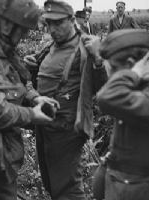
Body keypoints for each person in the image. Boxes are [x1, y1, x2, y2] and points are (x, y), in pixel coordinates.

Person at [0, 0, 59, 199]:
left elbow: (15, 84)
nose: (24, 36)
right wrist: (32, 115)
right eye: (22, 30)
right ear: (7, 24)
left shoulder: (1, 49)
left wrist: (35, 99)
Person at [24, 1, 108, 199]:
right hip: (45, 126)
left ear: (72, 20)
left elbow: (103, 88)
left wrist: (98, 60)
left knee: (67, 189)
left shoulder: (86, 47)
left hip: (67, 130)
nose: (52, 29)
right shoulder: (49, 46)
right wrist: (33, 66)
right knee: (51, 182)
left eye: (58, 23)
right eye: (48, 24)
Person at [97, 29, 149, 200]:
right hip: (124, 184)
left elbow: (106, 97)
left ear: (131, 64)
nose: (111, 76)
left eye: (114, 69)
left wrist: (133, 73)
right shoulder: (139, 87)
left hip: (140, 191)